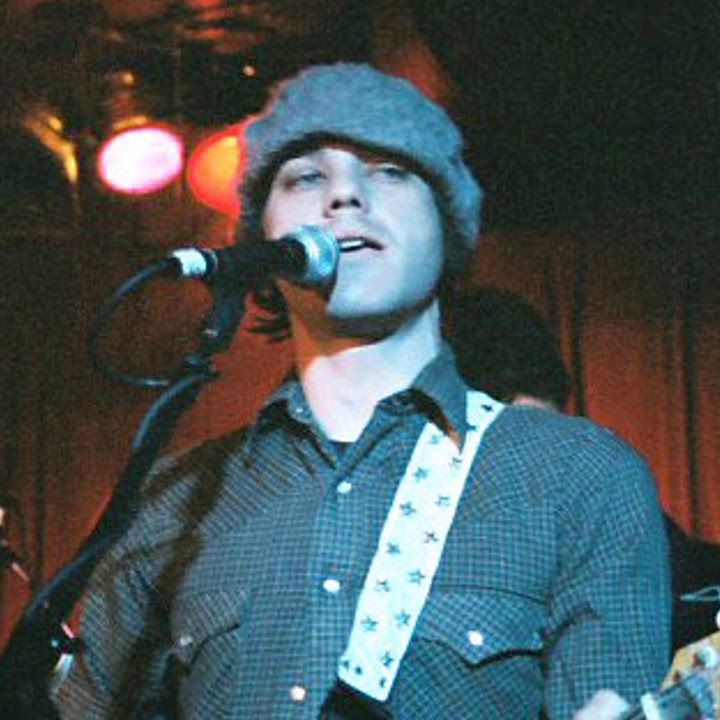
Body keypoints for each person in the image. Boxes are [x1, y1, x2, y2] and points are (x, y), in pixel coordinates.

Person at [54, 63, 671, 719]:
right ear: (261, 238)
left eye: (390, 170)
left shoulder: (579, 475)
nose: (344, 195)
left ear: (448, 225)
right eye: (305, 177)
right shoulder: (174, 500)